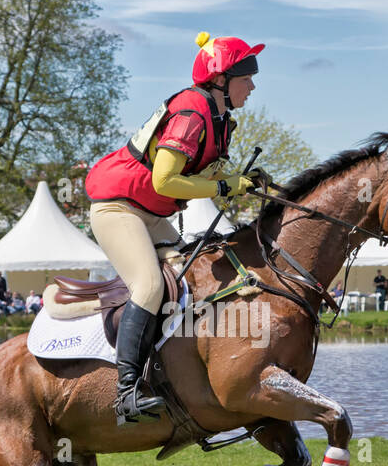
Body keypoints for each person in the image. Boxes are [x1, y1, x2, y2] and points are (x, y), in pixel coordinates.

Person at [84, 30, 267, 423]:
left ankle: (174, 371)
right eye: (246, 76)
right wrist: (223, 185)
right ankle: (126, 392)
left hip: (149, 215)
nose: (252, 85)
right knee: (150, 286)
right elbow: (164, 181)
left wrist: (243, 182)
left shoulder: (218, 117)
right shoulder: (191, 112)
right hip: (118, 209)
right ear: (221, 79)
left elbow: (205, 175)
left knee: (195, 269)